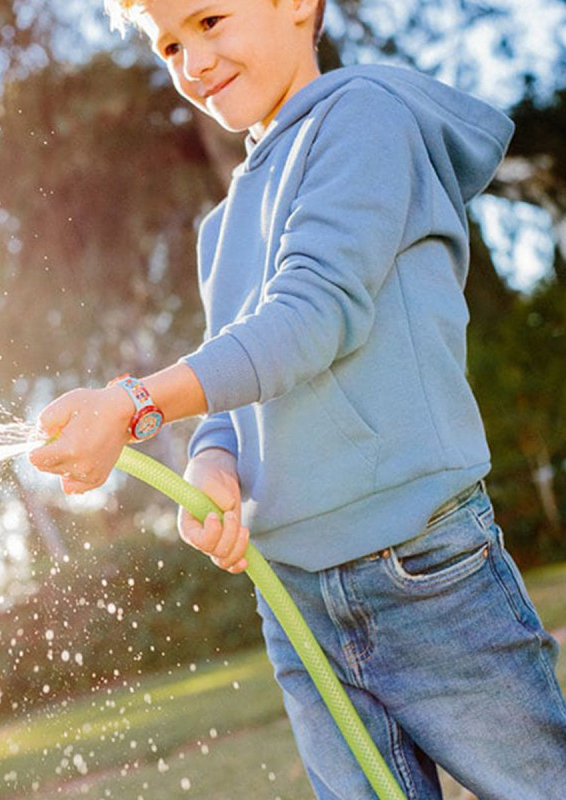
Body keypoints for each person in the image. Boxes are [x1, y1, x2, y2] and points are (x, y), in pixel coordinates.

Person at [28, 0, 566, 797]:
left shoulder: (364, 120)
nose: (193, 61)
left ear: (296, 6)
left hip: (422, 565)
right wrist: (214, 471)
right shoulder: (220, 229)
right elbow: (229, 407)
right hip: (295, 595)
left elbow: (313, 317)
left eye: (209, 21)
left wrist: (137, 406)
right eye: (169, 43)